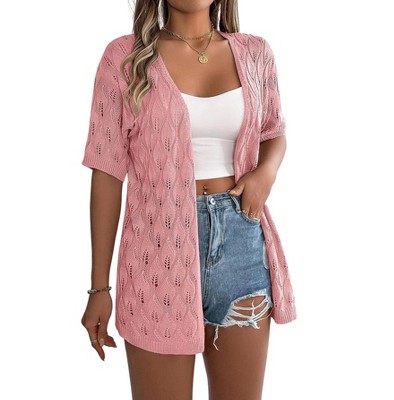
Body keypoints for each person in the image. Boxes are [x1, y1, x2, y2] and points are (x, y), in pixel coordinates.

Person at [80, 0, 296, 398]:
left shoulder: (255, 51)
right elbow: (106, 173)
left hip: (242, 247)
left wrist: (265, 173)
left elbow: (273, 131)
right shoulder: (124, 58)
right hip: (155, 256)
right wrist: (99, 288)